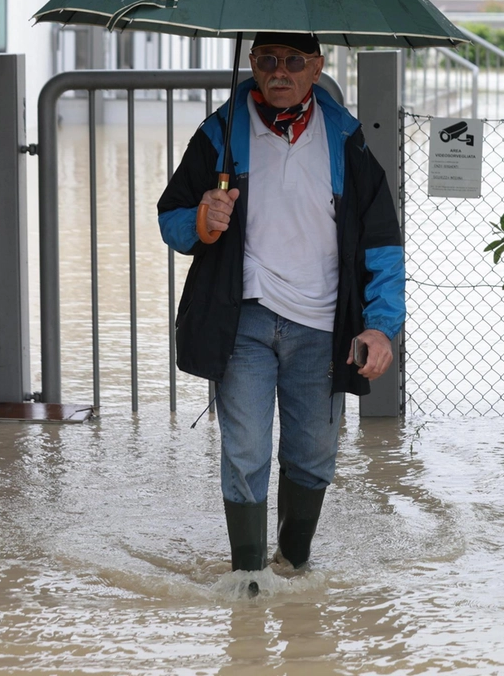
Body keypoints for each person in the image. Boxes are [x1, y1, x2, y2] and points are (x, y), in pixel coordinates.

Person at [157, 32, 403, 592]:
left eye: (295, 61)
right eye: (268, 60)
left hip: (322, 325)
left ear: (317, 68)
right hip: (242, 319)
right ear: (252, 63)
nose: (280, 71)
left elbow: (383, 242)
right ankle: (249, 580)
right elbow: (172, 218)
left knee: (313, 453)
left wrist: (382, 325)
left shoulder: (347, 140)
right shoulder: (217, 134)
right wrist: (203, 220)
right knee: (244, 451)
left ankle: (293, 567)